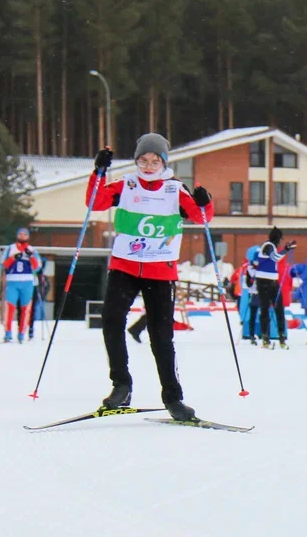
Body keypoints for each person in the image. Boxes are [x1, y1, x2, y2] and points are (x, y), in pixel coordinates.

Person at [86, 133, 212, 419]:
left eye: (155, 160)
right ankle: (121, 385)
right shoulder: (126, 184)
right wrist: (99, 171)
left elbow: (201, 217)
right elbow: (95, 202)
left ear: (164, 162)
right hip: (125, 265)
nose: (148, 165)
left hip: (159, 269)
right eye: (143, 160)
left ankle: (173, 398)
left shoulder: (175, 189)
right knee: (111, 319)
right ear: (136, 161)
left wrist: (205, 202)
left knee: (161, 335)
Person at [252, 227, 295, 348]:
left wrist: (286, 249)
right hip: (265, 281)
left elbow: (270, 259)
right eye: (280, 239)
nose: (280, 242)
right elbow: (274, 257)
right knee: (266, 309)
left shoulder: (270, 247)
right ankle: (266, 337)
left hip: (271, 280)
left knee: (278, 309)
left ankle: (280, 336)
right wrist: (286, 250)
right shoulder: (268, 246)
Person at [1, 228, 41, 343]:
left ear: (28, 237)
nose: (22, 236)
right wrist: (13, 258)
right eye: (20, 234)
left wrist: (31, 256)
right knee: (10, 308)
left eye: (25, 234)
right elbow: (4, 264)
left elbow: (37, 267)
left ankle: (22, 334)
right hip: (12, 281)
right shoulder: (10, 248)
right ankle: (8, 333)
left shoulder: (32, 250)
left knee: (26, 309)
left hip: (27, 282)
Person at [28, 253, 49, 340]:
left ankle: (31, 328)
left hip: (36, 289)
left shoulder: (42, 274)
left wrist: (43, 293)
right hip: (30, 286)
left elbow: (46, 285)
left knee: (33, 310)